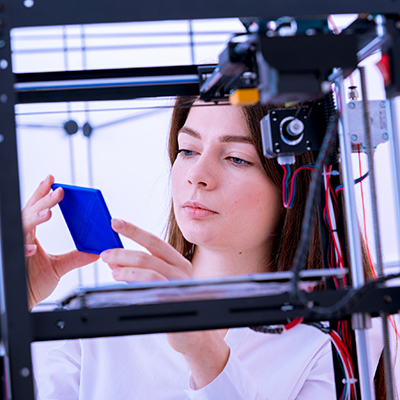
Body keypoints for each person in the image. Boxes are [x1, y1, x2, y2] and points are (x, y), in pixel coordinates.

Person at [24, 98, 383, 399]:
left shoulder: (321, 345)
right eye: (188, 150)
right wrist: (13, 305)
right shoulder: (102, 319)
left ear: (291, 184)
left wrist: (208, 357)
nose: (198, 173)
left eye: (237, 158)